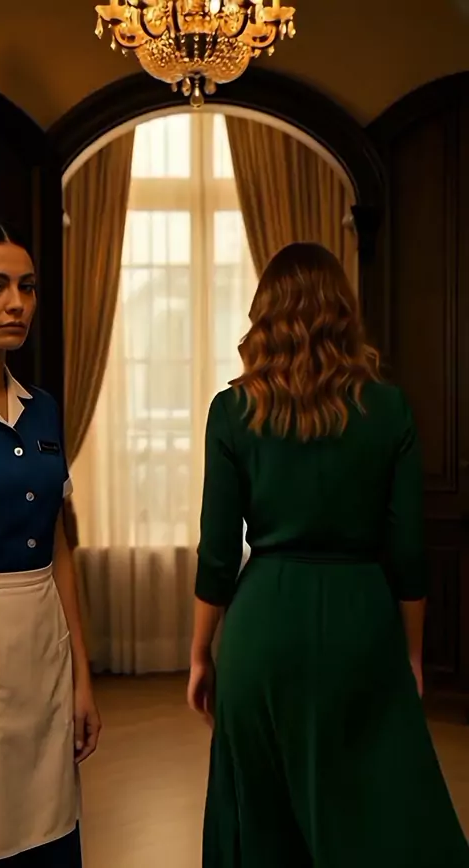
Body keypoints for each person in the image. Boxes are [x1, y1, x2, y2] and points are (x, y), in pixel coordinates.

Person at [187, 242, 469, 867]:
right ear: (344, 312)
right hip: (361, 620)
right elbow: (409, 552)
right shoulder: (388, 409)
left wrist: (201, 653)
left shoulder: (231, 411)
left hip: (262, 628)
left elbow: (217, 554)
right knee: (378, 817)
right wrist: (412, 653)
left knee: (262, 822)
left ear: (264, 314)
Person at [0, 218, 101, 866]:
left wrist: (83, 675)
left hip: (44, 647)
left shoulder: (45, 409)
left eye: (27, 287)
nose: (17, 304)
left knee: (50, 824)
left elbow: (60, 547)